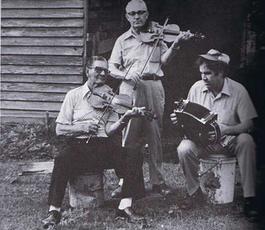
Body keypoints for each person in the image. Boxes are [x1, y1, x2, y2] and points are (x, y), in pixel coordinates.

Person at [42, 56, 149, 229]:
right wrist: (82, 127)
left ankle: (125, 207)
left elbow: (108, 131)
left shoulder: (110, 98)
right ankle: (54, 210)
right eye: (98, 69)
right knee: (62, 158)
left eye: (105, 70)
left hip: (103, 146)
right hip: (78, 147)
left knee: (133, 153)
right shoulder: (74, 95)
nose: (102, 73)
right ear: (87, 71)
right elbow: (59, 129)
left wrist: (126, 118)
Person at [109, 0, 193, 196]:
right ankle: (125, 181)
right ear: (127, 16)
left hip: (154, 85)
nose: (137, 17)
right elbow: (112, 67)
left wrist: (177, 44)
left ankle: (158, 181)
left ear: (147, 14)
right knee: (128, 134)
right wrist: (125, 75)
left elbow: (165, 61)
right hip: (129, 88)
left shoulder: (157, 36)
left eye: (140, 13)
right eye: (132, 14)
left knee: (155, 133)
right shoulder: (122, 40)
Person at [170, 49, 259, 221]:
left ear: (221, 73)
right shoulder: (196, 88)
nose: (204, 78)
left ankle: (250, 199)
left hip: (229, 141)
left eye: (208, 74)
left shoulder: (238, 90)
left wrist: (226, 130)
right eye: (202, 73)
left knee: (247, 141)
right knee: (184, 148)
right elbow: (188, 119)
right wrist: (178, 121)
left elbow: (249, 125)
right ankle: (194, 193)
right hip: (202, 142)